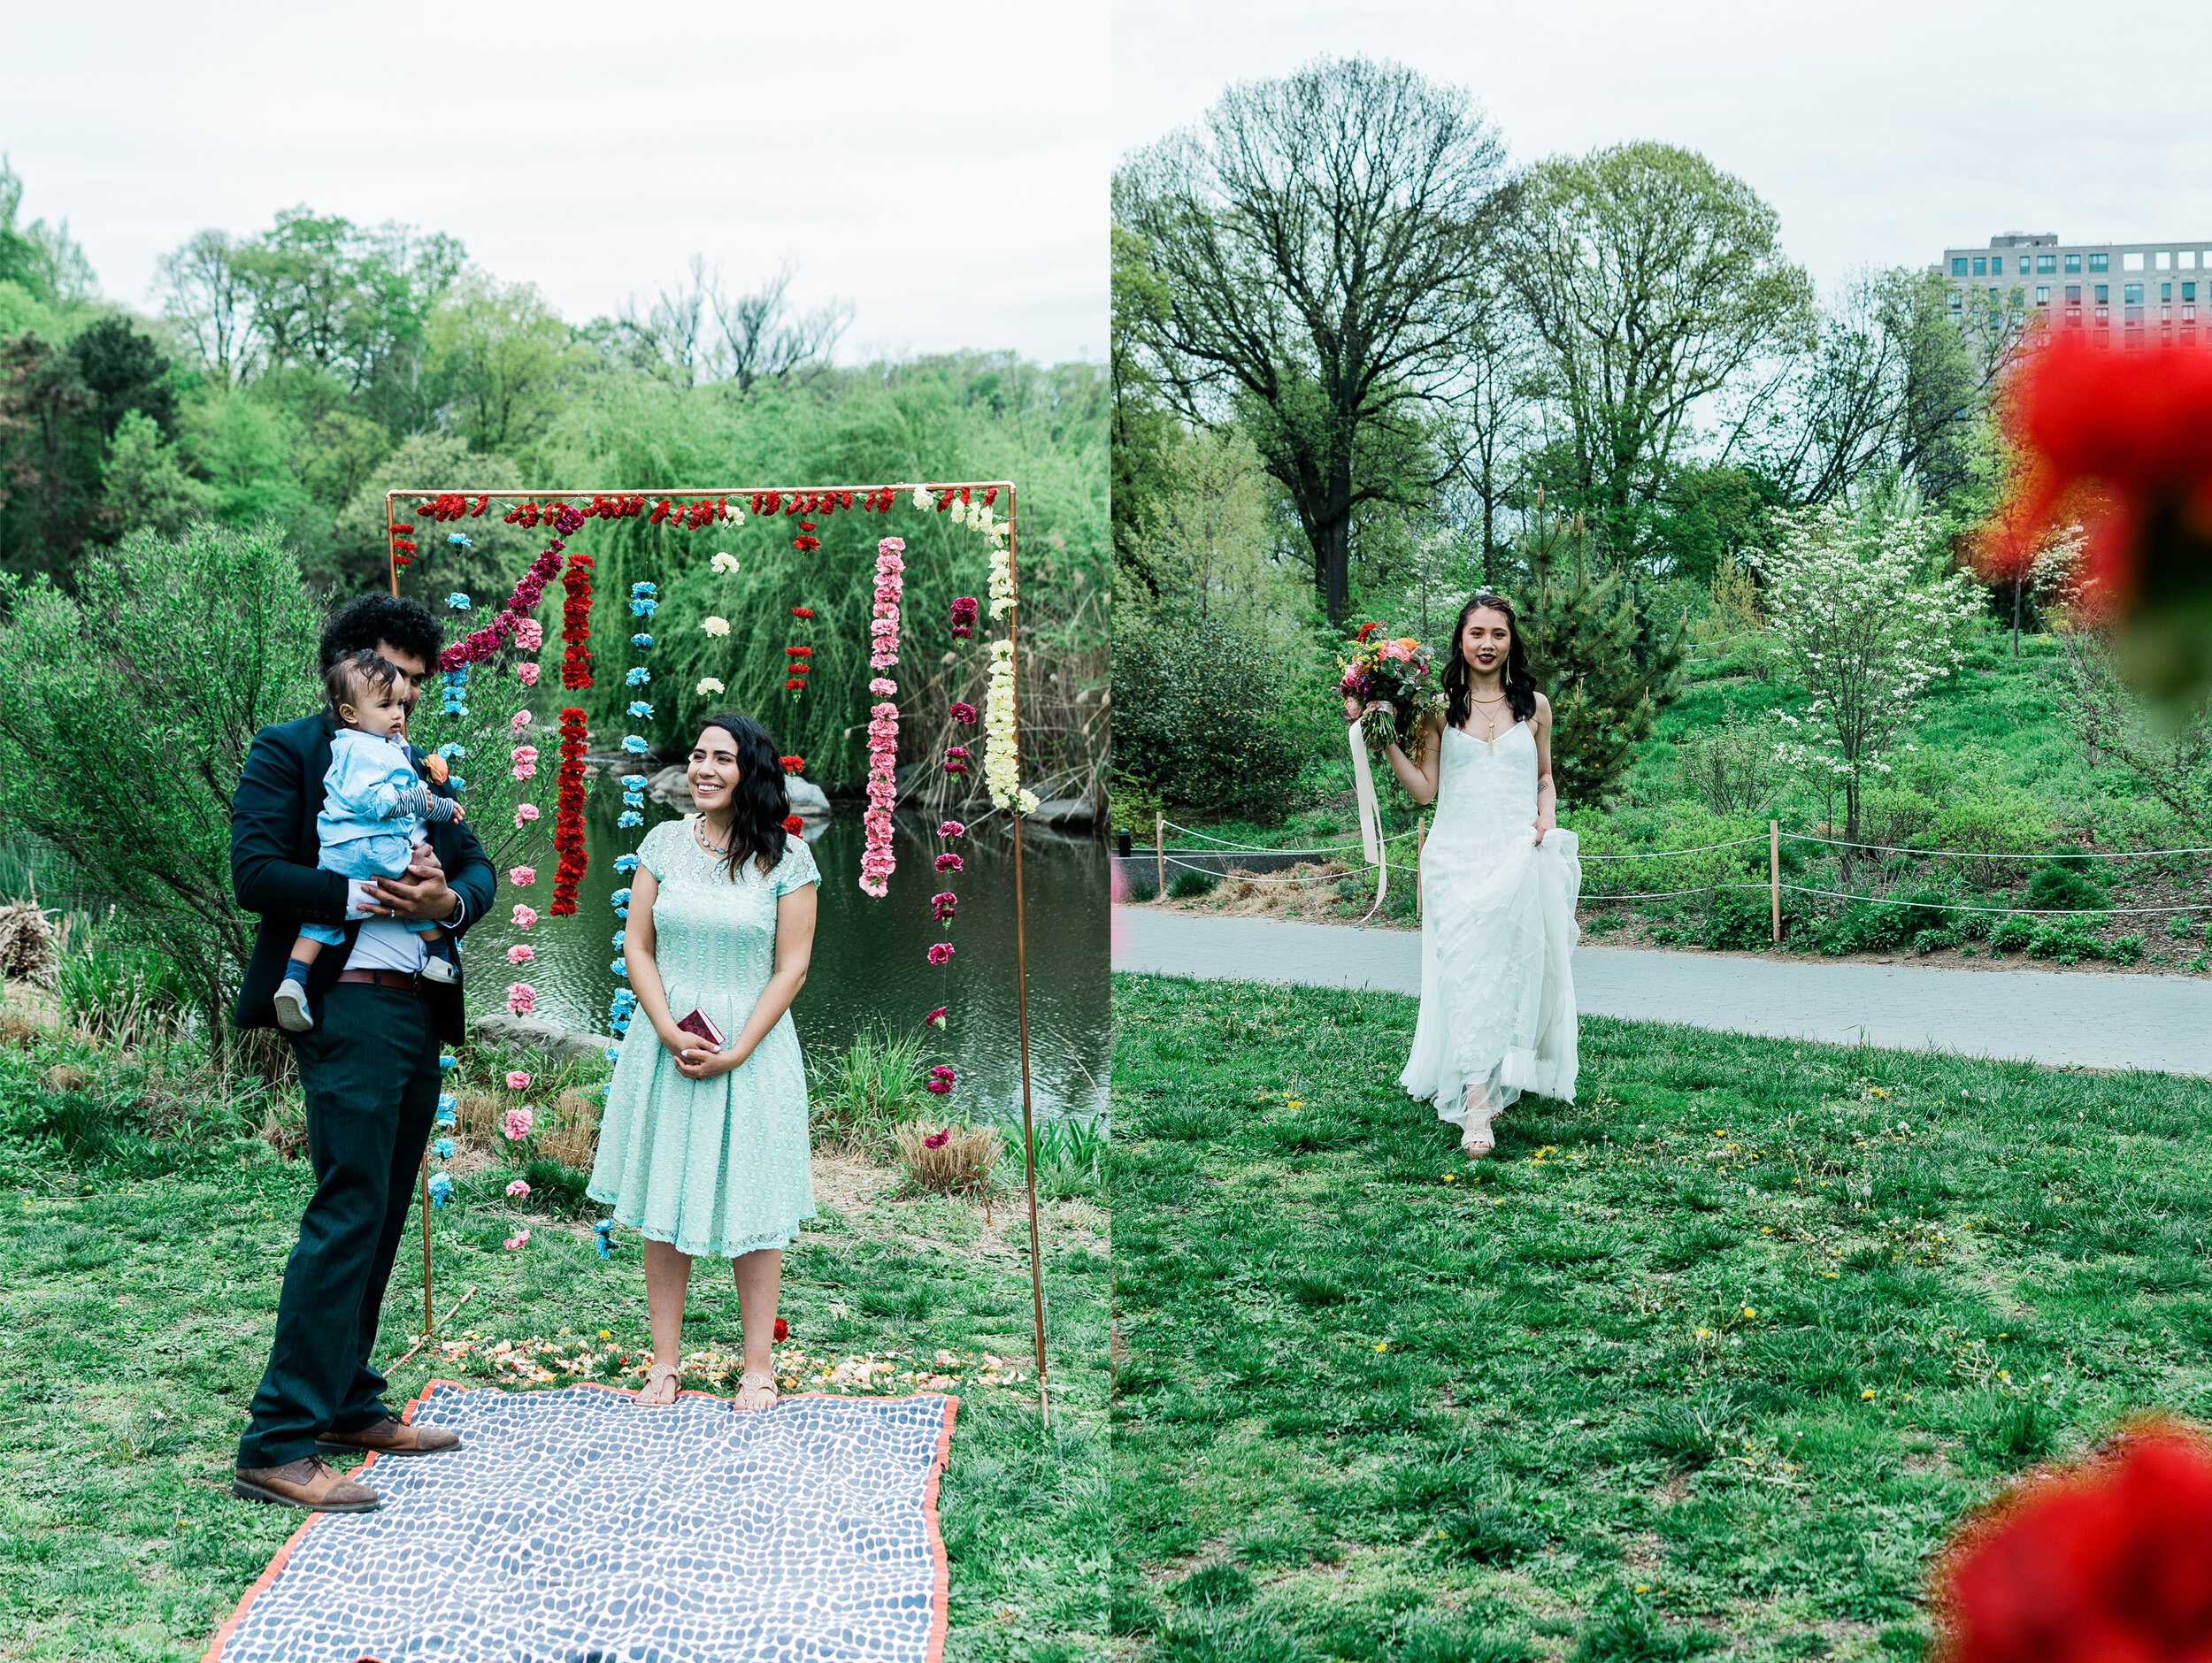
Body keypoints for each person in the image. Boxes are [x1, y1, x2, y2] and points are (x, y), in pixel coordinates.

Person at [229, 594, 497, 1513]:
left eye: (418, 684)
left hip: (417, 1006)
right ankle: (275, 1440)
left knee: (380, 1208)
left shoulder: (410, 758)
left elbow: (478, 866)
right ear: (348, 671)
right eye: (393, 676)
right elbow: (255, 872)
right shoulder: (291, 750)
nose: (407, 697)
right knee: (348, 1206)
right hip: (341, 1004)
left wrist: (443, 902)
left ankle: (347, 1399)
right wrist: (365, 894)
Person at [588, 712, 820, 1410]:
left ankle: (757, 1367)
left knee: (752, 1200)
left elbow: (793, 967)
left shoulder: (788, 858)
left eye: (722, 758)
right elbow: (637, 946)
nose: (704, 769)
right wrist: (663, 1028)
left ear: (751, 770)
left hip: (753, 1048)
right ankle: (665, 1363)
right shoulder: (662, 842)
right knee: (666, 1197)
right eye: (697, 756)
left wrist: (739, 1048)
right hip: (669, 1044)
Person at [1347, 593, 1580, 1157]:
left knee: (1508, 972)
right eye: (1476, 633)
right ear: (1460, 639)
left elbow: (1545, 777)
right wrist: (1384, 742)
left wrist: (1546, 817)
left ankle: (1491, 1074)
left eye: (1498, 634)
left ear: (1510, 642)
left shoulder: (1536, 708)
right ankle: (1477, 1101)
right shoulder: (1438, 709)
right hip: (1455, 858)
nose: (1487, 644)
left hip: (1517, 854)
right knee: (1466, 973)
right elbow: (1426, 791)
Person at [273, 649, 465, 1034]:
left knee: (318, 923)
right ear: (350, 713)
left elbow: (471, 861)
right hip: (371, 846)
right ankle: (439, 956)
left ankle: (293, 980)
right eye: (387, 704)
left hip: (338, 853)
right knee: (414, 881)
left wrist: (442, 810)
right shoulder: (364, 750)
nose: (400, 712)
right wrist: (429, 803)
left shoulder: (368, 748)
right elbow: (376, 801)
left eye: (402, 700)